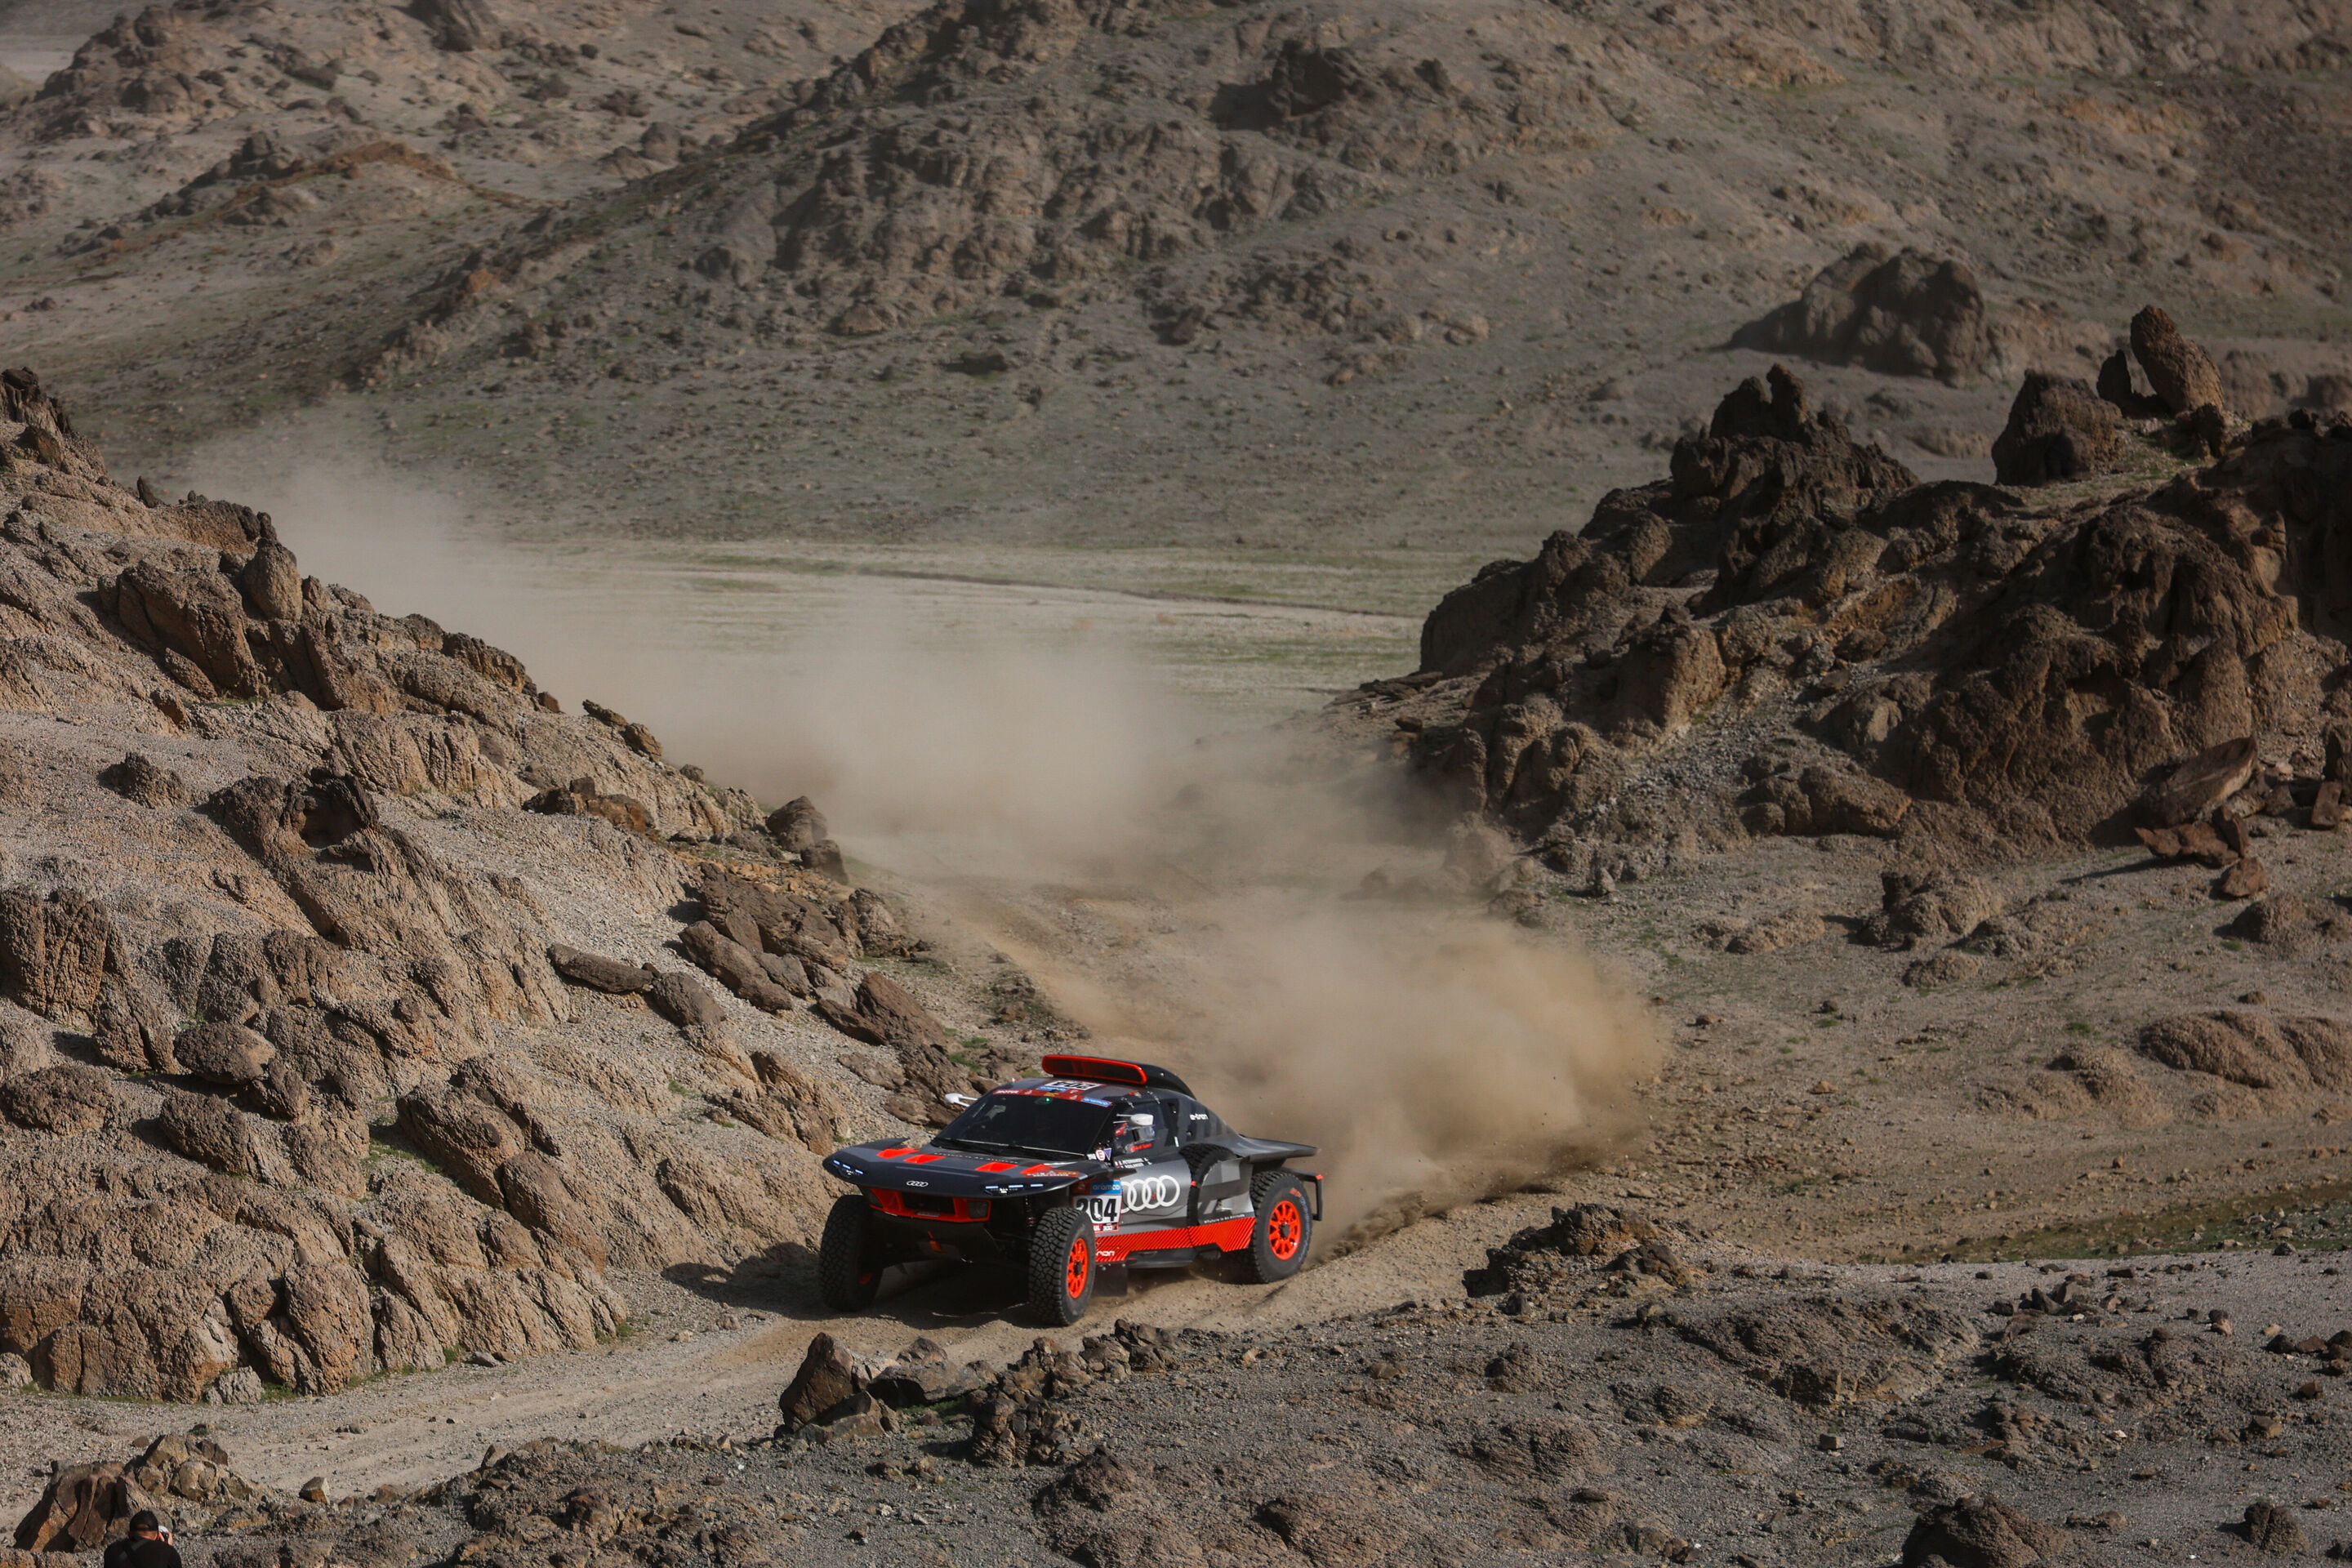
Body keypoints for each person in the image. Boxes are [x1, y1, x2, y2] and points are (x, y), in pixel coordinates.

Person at [102, 1512, 179, 1568]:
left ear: (129, 1534)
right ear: (158, 1535)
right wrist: (167, 1547)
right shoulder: (167, 1552)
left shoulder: (111, 1550)